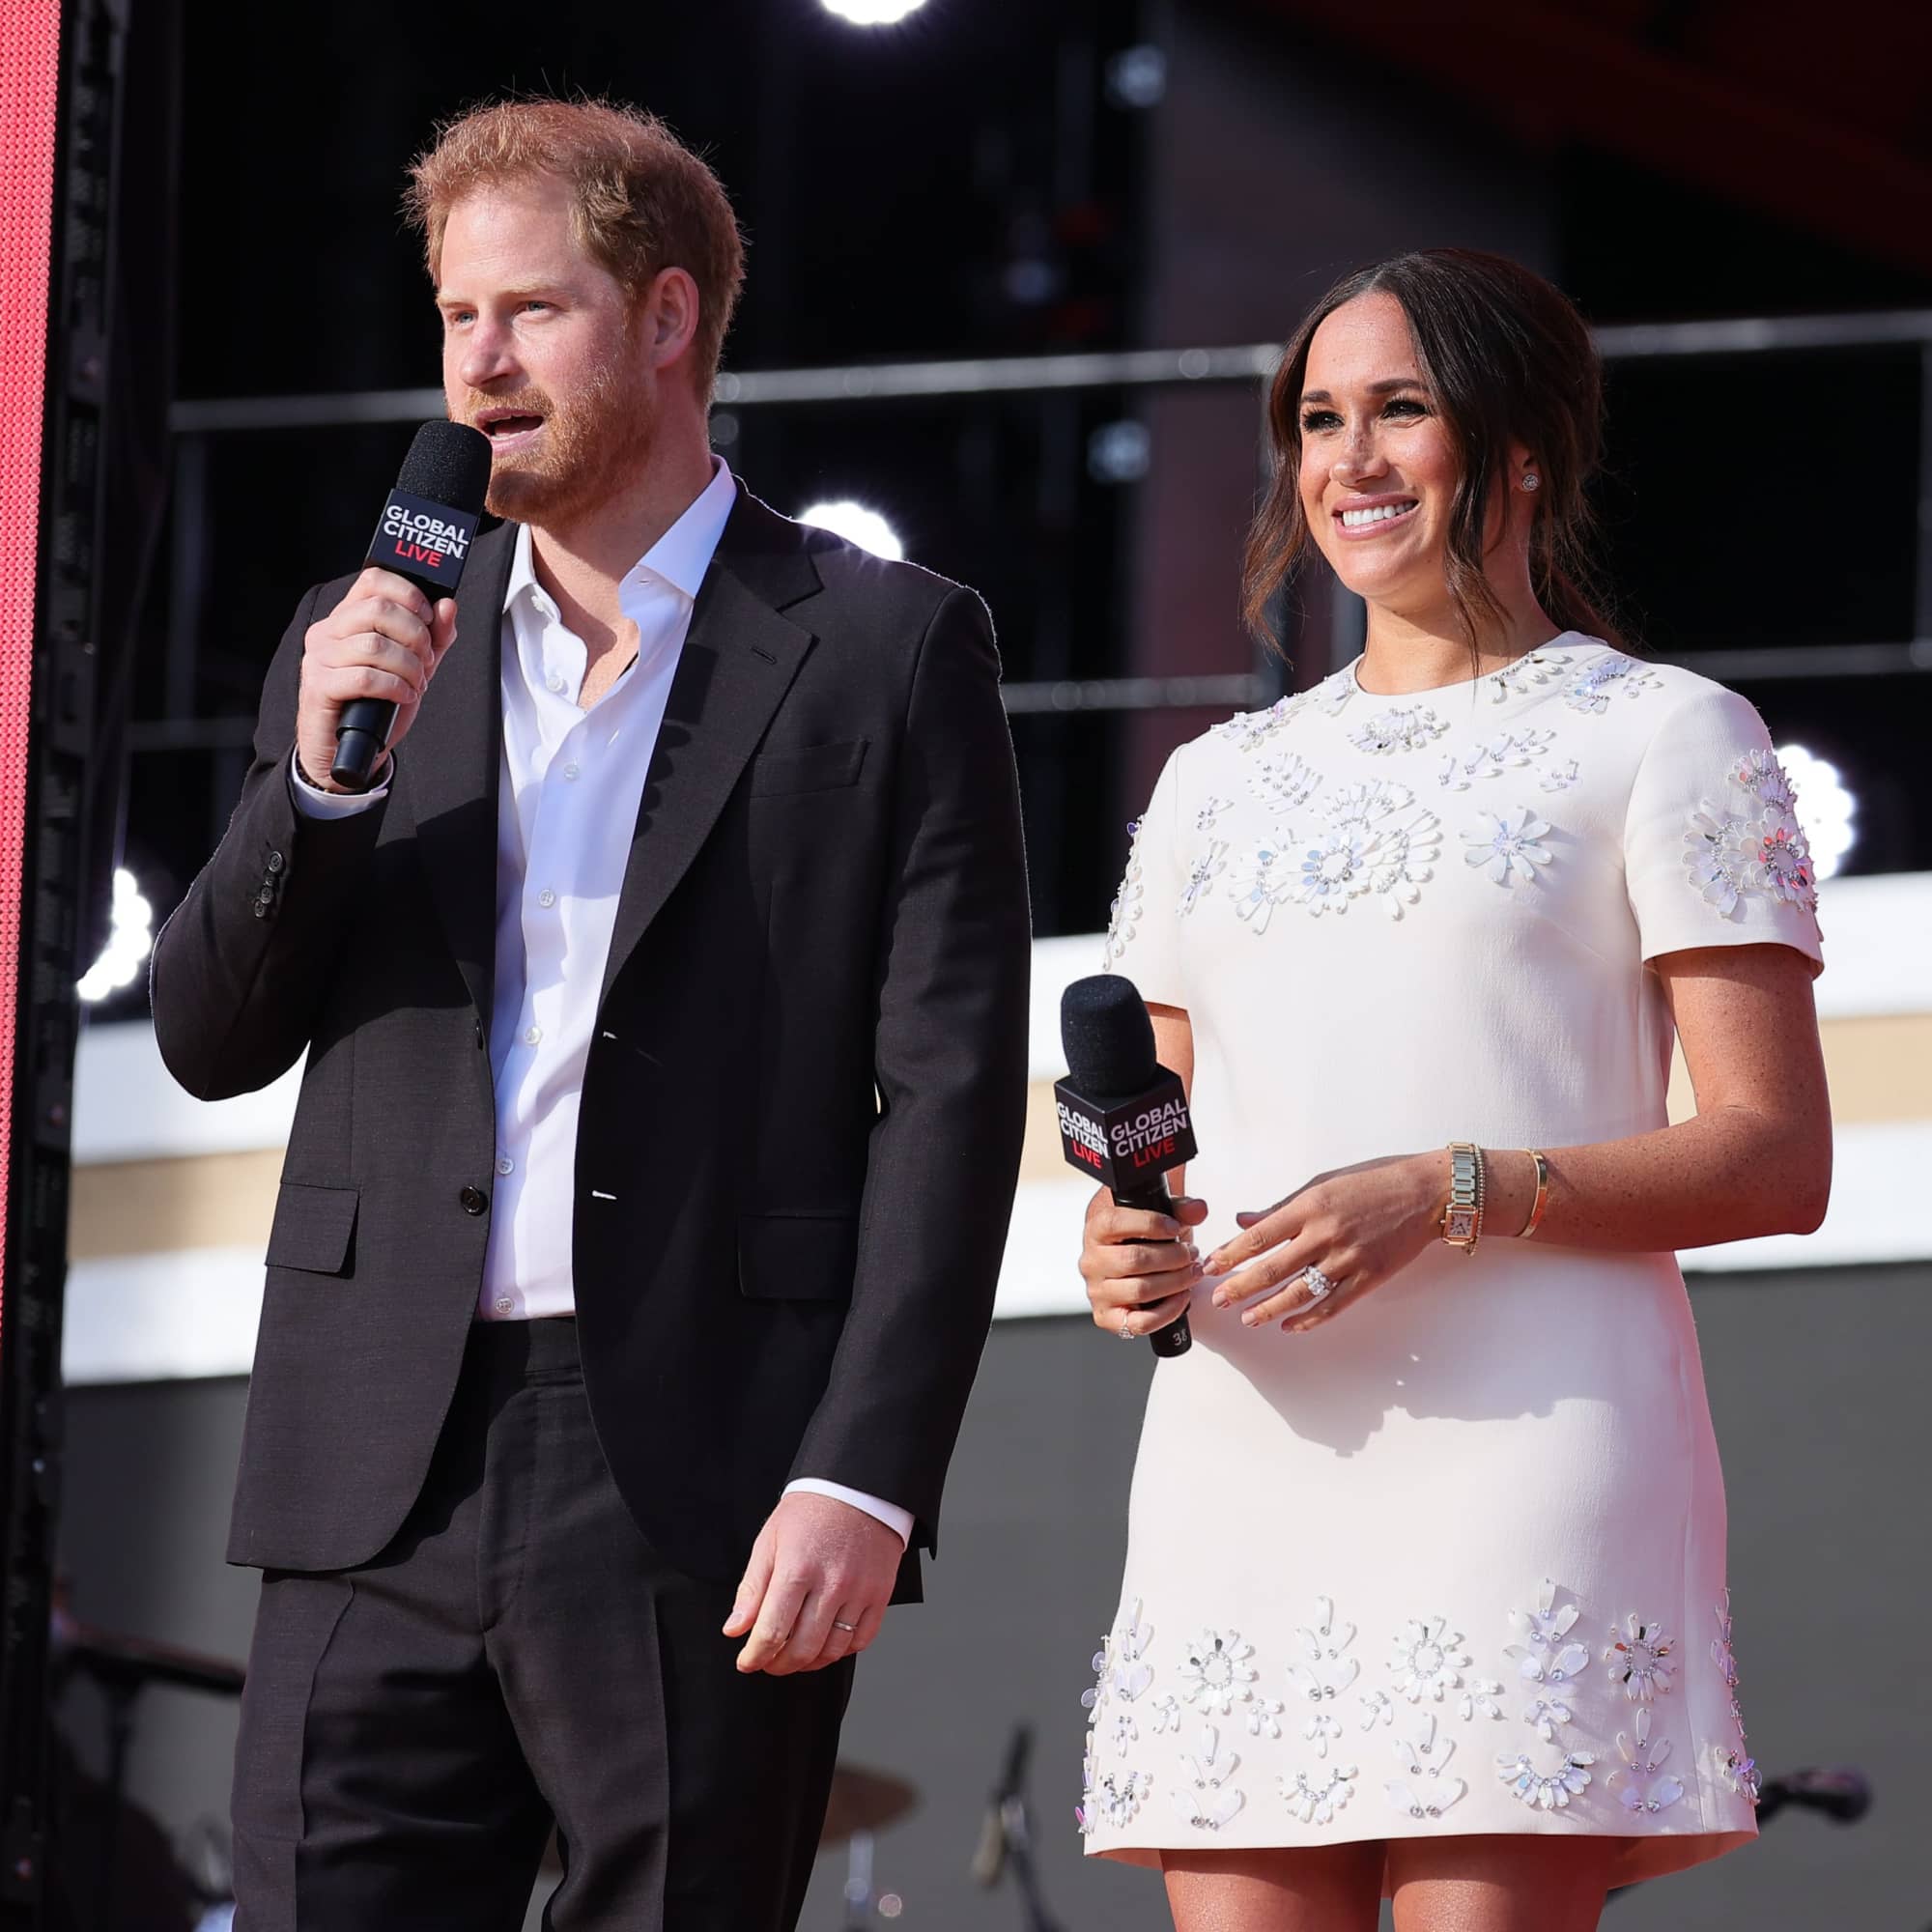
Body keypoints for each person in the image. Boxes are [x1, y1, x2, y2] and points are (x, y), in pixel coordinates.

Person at [151, 96, 1031, 1931]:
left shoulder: (882, 645)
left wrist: (866, 1475)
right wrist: (318, 787)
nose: (480, 365)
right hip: (368, 1458)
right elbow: (211, 1038)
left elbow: (951, 1097)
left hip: (699, 1463)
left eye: (531, 311)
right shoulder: (361, 638)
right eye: (456, 317)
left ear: (667, 316)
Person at [1073, 248, 1830, 1932]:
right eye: (1317, 419)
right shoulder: (1215, 781)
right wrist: (1122, 1254)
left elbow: (1777, 1158)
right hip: (1246, 1450)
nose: (1349, 459)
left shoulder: (1666, 734)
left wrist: (1448, 1190)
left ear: (1527, 445)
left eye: (1401, 409)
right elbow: (1154, 1151)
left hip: (1533, 1452)